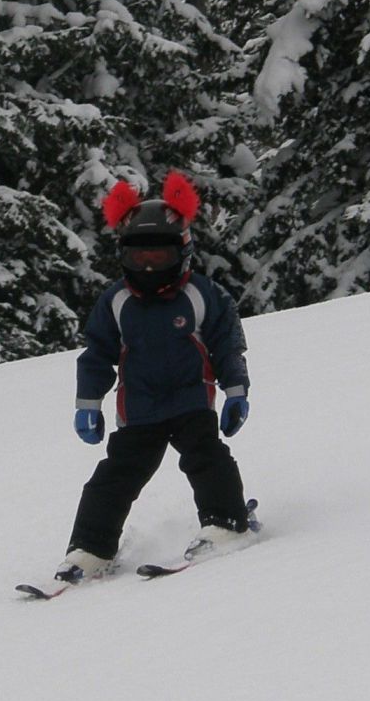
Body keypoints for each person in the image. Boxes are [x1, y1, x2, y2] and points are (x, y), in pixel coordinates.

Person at [56, 170, 252, 583]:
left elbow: (227, 346)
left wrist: (236, 391)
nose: (147, 265)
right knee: (114, 477)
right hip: (139, 409)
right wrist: (88, 404)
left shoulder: (203, 295)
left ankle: (226, 521)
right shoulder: (116, 301)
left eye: (159, 256)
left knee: (206, 457)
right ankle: (90, 549)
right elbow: (96, 355)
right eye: (138, 256)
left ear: (182, 252)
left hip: (191, 400)